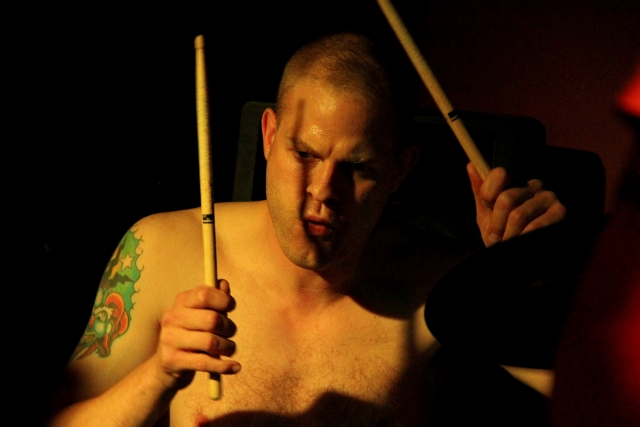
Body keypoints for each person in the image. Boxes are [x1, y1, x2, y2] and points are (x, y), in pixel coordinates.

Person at [47, 33, 566, 427]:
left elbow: (585, 400)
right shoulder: (162, 250)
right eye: (305, 154)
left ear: (399, 170)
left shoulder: (442, 285)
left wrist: (532, 273)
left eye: (357, 167)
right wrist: (157, 373)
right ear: (270, 136)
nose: (322, 190)